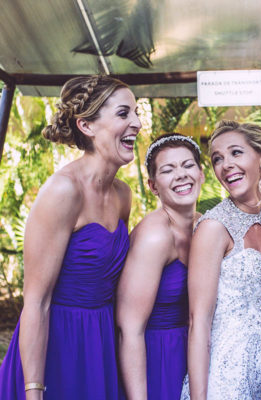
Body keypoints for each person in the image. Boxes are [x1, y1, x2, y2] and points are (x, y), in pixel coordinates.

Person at [0, 75, 141, 399]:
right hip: (57, 347)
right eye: (123, 114)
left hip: (100, 344)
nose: (135, 123)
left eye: (136, 114)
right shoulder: (63, 191)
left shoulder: (123, 195)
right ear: (87, 125)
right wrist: (34, 390)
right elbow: (36, 302)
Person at [181, 120, 261, 400]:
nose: (225, 165)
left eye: (236, 153)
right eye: (217, 159)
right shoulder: (213, 227)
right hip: (224, 381)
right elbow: (198, 321)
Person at [117, 133, 204, 400]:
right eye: (168, 170)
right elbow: (129, 329)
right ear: (153, 186)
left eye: (188, 165)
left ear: (201, 174)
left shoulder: (205, 224)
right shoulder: (154, 235)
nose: (181, 175)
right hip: (157, 359)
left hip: (195, 357)